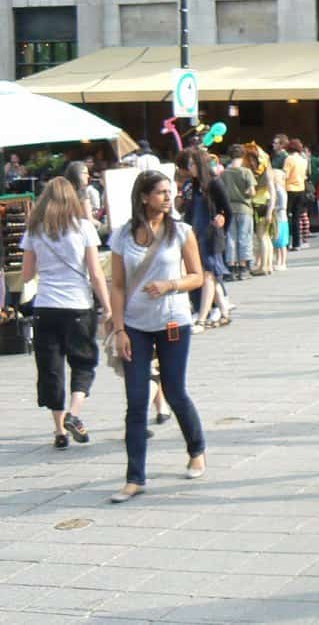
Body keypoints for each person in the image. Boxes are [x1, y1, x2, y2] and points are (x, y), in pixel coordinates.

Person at [108, 171, 206, 502]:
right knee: (136, 401)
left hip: (173, 322)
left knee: (175, 392)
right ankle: (135, 477)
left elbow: (198, 277)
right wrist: (119, 328)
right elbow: (117, 286)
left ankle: (197, 449)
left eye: (169, 191)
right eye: (161, 192)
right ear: (143, 197)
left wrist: (170, 285)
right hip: (134, 325)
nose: (167, 196)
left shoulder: (181, 232)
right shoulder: (122, 235)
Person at [20, 177, 113, 449]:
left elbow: (27, 275)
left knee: (51, 368)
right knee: (83, 362)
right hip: (78, 306)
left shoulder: (34, 230)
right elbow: (95, 274)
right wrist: (106, 306)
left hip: (46, 306)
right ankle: (75, 412)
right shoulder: (83, 227)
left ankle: (59, 430)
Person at [175, 149, 232, 331]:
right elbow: (190, 211)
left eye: (192, 164)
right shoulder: (195, 185)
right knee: (210, 275)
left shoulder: (214, 182)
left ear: (199, 164)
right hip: (197, 235)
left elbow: (227, 209)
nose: (189, 168)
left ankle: (202, 317)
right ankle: (223, 312)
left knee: (208, 274)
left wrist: (223, 226)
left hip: (211, 235)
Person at [220, 145, 255, 280]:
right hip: (244, 208)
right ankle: (243, 266)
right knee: (244, 237)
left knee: (231, 237)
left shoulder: (224, 173)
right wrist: (244, 193)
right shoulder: (246, 172)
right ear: (242, 155)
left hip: (229, 208)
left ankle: (231, 266)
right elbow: (251, 191)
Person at [245, 146, 274, 276]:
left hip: (260, 205)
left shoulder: (261, 173)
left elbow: (273, 192)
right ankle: (268, 266)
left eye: (253, 159)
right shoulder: (266, 171)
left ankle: (263, 266)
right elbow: (273, 193)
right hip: (266, 204)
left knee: (262, 236)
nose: (251, 162)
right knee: (266, 237)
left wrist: (269, 211)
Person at [282, 139, 308, 251]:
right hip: (301, 188)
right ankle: (297, 243)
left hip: (289, 189)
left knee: (286, 216)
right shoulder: (303, 160)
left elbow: (285, 175)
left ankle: (286, 243)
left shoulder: (289, 159)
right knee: (297, 217)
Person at [64, 161, 100, 227]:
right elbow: (89, 220)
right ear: (78, 174)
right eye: (85, 173)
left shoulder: (63, 191)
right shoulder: (82, 192)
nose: (88, 176)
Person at [271, 169, 289, 271]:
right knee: (277, 242)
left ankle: (283, 262)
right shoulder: (277, 188)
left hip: (280, 218)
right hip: (278, 218)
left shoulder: (279, 190)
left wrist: (273, 208)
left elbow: (283, 206)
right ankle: (278, 261)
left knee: (282, 242)